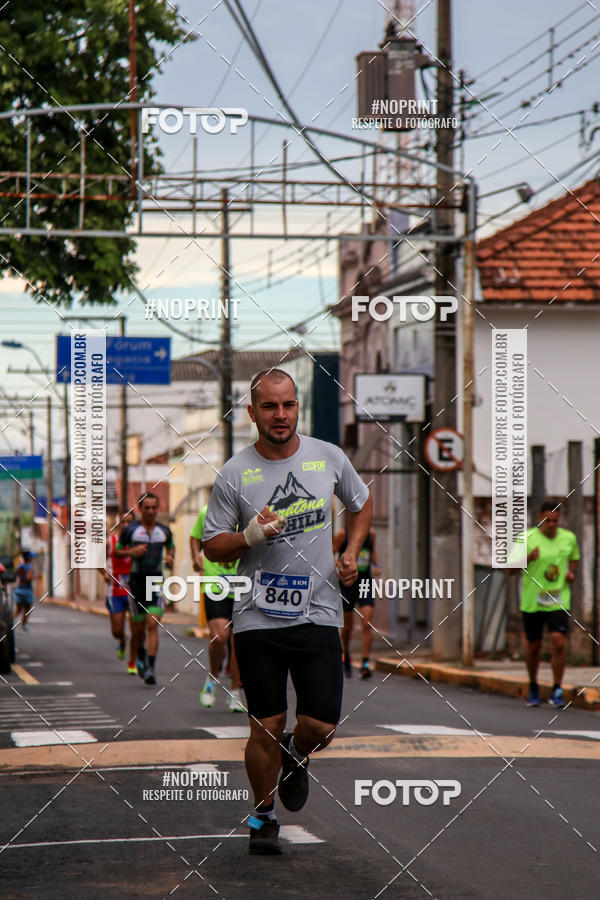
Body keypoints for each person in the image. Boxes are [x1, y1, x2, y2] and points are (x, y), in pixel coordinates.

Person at [202, 368, 372, 855]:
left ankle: (298, 756)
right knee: (266, 725)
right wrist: (249, 536)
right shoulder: (236, 473)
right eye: (271, 407)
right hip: (257, 616)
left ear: (298, 407)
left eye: (289, 405)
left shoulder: (329, 458)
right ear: (252, 413)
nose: (281, 415)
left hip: (318, 611)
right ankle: (263, 814)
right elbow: (213, 547)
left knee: (319, 726)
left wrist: (352, 552)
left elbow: (361, 504)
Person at [508, 501, 580, 708]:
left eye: (555, 521)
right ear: (540, 518)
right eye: (547, 520)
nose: (551, 525)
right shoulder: (526, 538)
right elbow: (510, 570)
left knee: (559, 641)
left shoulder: (568, 538)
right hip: (533, 602)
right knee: (535, 645)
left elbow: (574, 558)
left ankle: (557, 688)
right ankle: (533, 685)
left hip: (558, 600)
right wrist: (528, 558)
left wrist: (571, 573)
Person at [115, 494, 175, 686]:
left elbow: (171, 548)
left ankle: (150, 668)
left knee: (152, 624)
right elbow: (117, 550)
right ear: (140, 509)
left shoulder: (164, 530)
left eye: (154, 508)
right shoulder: (131, 530)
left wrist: (170, 557)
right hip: (135, 584)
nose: (150, 511)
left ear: (158, 509)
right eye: (146, 508)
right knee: (139, 628)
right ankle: (140, 654)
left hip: (155, 582)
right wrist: (131, 552)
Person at [190, 506, 244, 712]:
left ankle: (235, 692)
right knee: (219, 637)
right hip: (215, 584)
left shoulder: (248, 512)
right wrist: (196, 555)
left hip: (242, 584)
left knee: (237, 641)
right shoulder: (207, 513)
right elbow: (195, 537)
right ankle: (212, 677)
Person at [333, 523, 381, 679]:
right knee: (347, 627)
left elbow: (372, 552)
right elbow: (331, 554)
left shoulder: (370, 533)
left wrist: (377, 565)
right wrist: (342, 567)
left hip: (365, 582)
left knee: (367, 623)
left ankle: (365, 663)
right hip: (348, 584)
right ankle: (345, 655)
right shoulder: (342, 535)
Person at [100, 510, 136, 672]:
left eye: (130, 522)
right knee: (116, 630)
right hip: (115, 591)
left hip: (135, 590)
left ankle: (134, 662)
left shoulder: (140, 541)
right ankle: (122, 641)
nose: (127, 525)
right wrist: (104, 572)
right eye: (124, 522)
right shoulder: (111, 541)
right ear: (119, 523)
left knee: (137, 628)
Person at [14, 550, 35, 631]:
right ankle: (24, 624)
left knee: (18, 610)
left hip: (18, 590)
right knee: (27, 610)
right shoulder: (29, 567)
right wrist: (36, 576)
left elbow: (15, 575)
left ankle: (9, 623)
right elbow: (28, 578)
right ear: (29, 558)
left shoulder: (19, 566)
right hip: (27, 591)